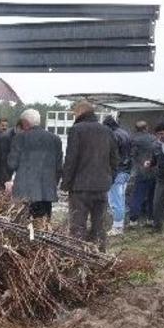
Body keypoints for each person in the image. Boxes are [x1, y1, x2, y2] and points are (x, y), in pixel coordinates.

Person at [61, 101, 118, 251]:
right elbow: (115, 159)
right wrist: (109, 178)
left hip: (80, 187)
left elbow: (71, 159)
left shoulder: (77, 130)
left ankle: (78, 258)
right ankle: (100, 256)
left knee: (77, 226)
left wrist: (65, 184)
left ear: (80, 112)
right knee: (99, 226)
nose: (74, 115)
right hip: (102, 187)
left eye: (74, 112)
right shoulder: (107, 131)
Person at [7, 109, 62, 219]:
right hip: (47, 193)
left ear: (25, 122)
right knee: (43, 228)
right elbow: (59, 167)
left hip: (24, 193)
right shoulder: (55, 139)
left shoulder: (19, 138)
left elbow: (12, 164)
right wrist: (52, 184)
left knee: (24, 228)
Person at [103, 116, 132, 235]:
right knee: (122, 198)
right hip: (126, 170)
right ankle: (123, 223)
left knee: (115, 200)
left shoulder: (113, 135)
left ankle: (117, 227)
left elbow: (112, 155)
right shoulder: (125, 133)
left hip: (116, 172)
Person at [128, 121, 157, 227]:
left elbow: (132, 155)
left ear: (136, 129)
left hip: (141, 171)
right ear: (147, 128)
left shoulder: (134, 140)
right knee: (152, 197)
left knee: (138, 196)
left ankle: (133, 220)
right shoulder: (154, 138)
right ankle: (151, 219)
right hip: (154, 170)